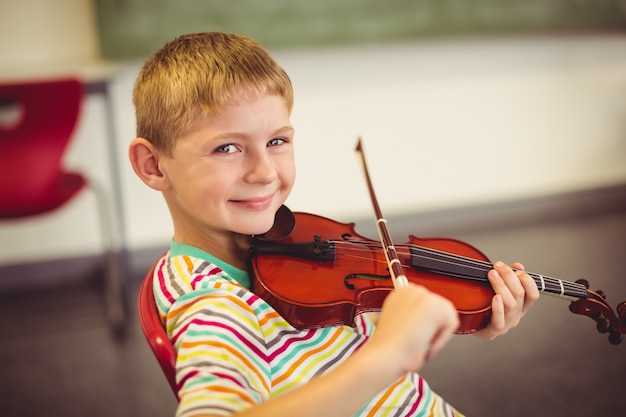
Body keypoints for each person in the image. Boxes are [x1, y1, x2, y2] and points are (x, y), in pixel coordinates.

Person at [129, 32, 539, 417]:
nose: (264, 172)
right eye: (227, 148)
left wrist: (460, 314)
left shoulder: (279, 246)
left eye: (277, 141)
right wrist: (387, 355)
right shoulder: (213, 304)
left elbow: (327, 342)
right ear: (153, 165)